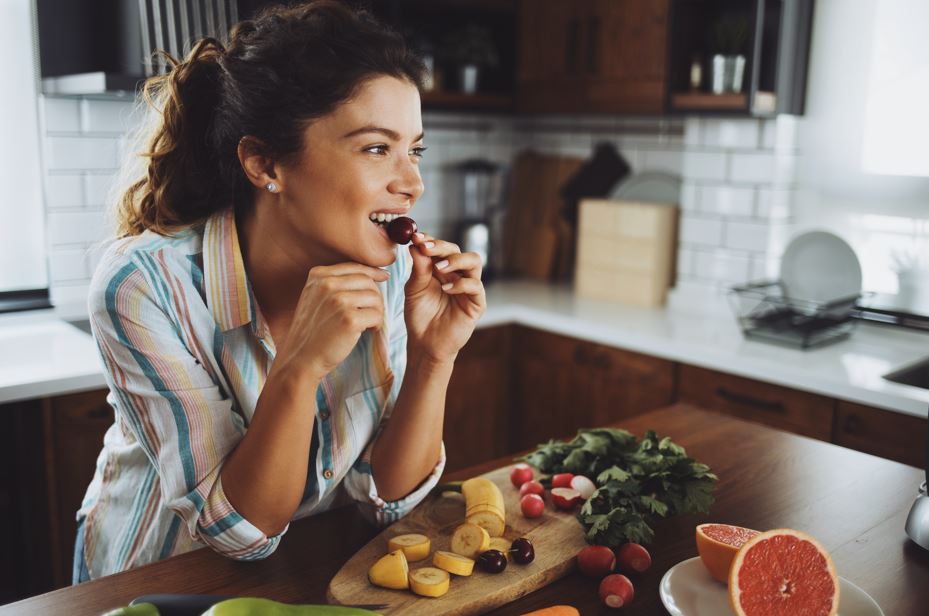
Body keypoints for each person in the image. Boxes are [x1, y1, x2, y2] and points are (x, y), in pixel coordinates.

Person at [74, 0, 484, 582]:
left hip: (302, 574)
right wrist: (298, 367)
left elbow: (389, 497)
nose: (412, 182)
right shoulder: (143, 286)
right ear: (266, 164)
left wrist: (434, 357)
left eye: (413, 149)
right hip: (156, 581)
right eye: (376, 148)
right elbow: (240, 533)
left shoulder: (389, 272)